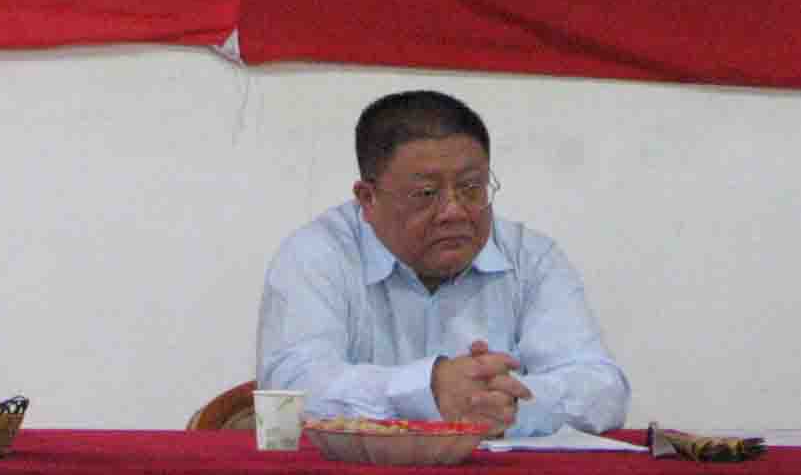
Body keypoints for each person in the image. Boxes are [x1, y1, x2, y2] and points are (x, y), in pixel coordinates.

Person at [257, 90, 630, 437]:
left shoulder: (531, 259)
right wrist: (429, 390)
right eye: (426, 193)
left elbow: (603, 389)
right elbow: (290, 389)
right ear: (368, 198)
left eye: (471, 187)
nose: (454, 211)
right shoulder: (317, 255)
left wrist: (505, 404)